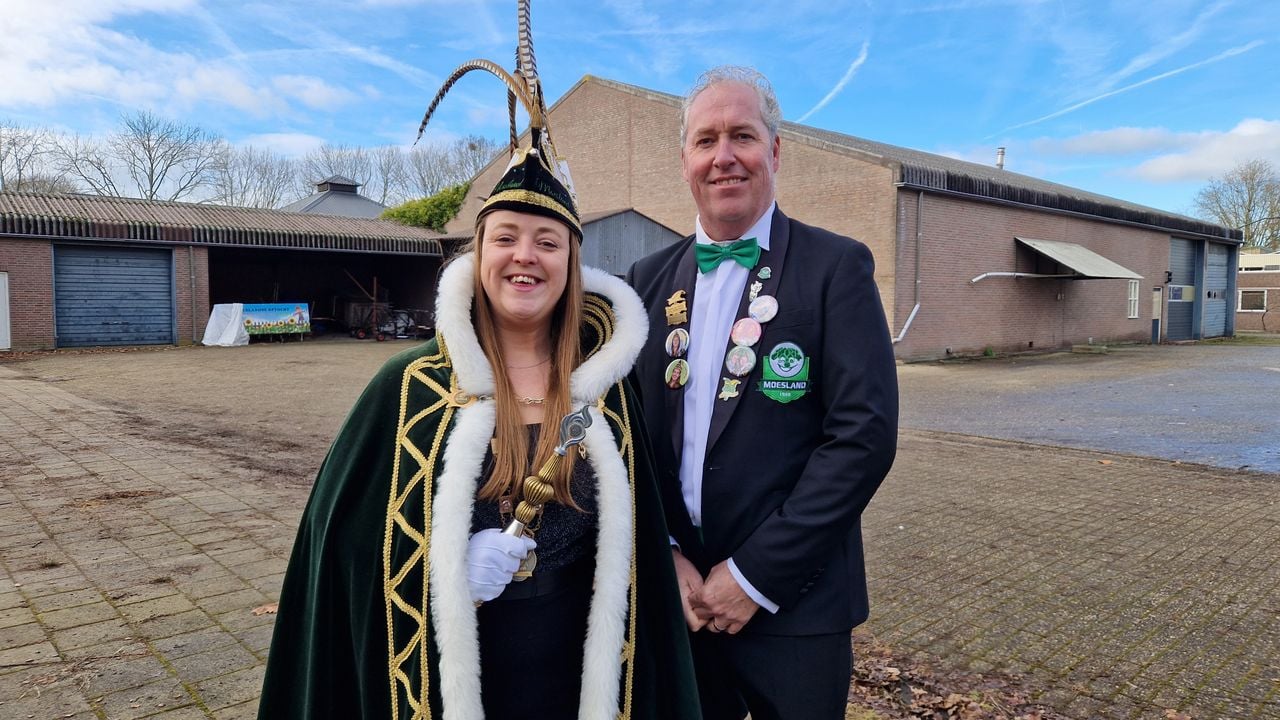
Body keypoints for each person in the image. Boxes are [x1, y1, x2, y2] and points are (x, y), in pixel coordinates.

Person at [257, 124, 701, 719]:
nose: (526, 256)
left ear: (571, 263)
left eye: (548, 242)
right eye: (506, 238)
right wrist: (445, 570)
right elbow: (342, 555)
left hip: (577, 674)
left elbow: (639, 546)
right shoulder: (408, 387)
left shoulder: (609, 391)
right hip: (453, 676)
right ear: (479, 253)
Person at [626, 65, 899, 720]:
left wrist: (752, 576)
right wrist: (663, 552)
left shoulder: (837, 267)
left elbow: (861, 438)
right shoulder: (642, 281)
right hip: (682, 604)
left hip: (794, 605)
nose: (724, 157)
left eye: (742, 136)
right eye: (706, 140)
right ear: (685, 159)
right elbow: (628, 432)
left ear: (774, 151)